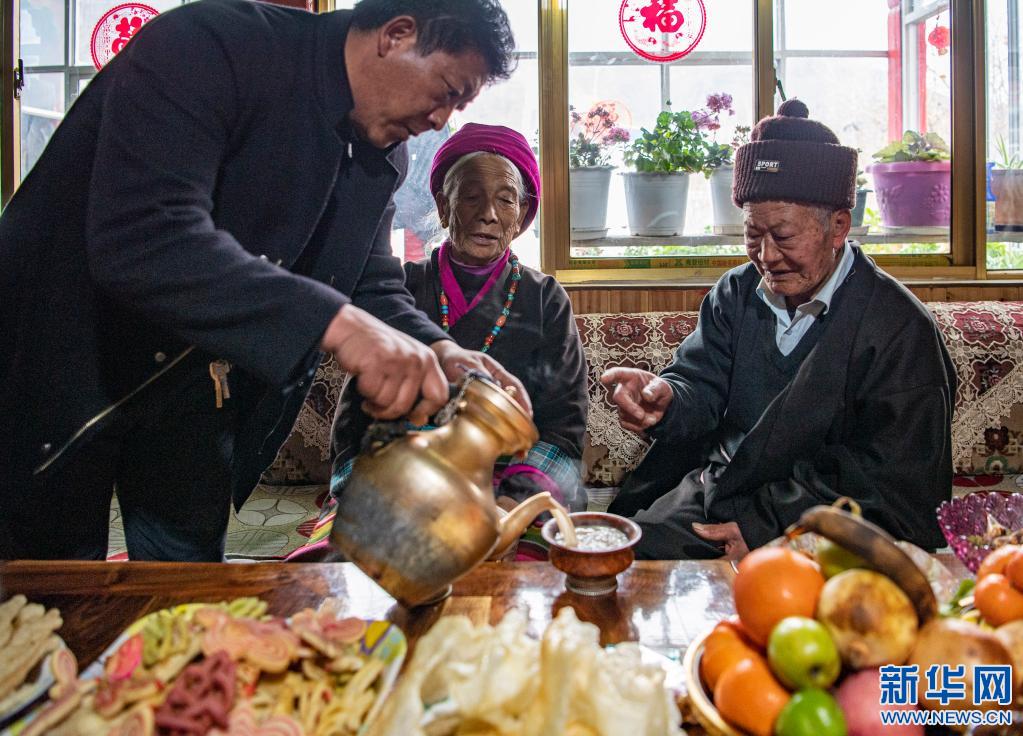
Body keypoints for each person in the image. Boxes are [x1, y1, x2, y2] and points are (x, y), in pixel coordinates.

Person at [0, 0, 531, 562]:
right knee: (52, 594)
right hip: (60, 366)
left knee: (189, 593)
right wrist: (337, 325)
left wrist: (440, 349)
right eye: (446, 91)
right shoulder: (208, 49)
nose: (441, 121)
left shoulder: (383, 155)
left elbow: (369, 281)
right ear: (396, 35)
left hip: (195, 391)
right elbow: (147, 235)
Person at [601, 100, 957, 560]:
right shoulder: (737, 292)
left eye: (784, 236)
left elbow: (896, 479)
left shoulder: (898, 328)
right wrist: (667, 400)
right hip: (718, 494)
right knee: (622, 558)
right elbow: (700, 386)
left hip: (819, 520)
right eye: (753, 235)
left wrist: (766, 526)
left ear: (838, 227)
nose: (766, 256)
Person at [289, 123, 589, 561]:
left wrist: (510, 506)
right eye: (470, 196)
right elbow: (357, 421)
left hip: (511, 485)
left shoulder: (545, 299)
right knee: (341, 571)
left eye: (506, 199)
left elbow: (564, 427)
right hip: (401, 482)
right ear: (444, 207)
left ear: (522, 214)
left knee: (528, 574)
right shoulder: (396, 292)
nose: (488, 213)